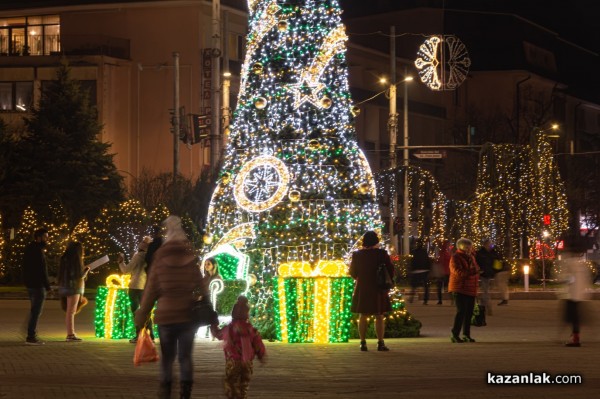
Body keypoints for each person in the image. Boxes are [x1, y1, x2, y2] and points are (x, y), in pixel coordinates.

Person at [135, 215, 218, 399]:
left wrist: (143, 312)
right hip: (188, 316)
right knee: (185, 357)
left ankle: (165, 391)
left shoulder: (159, 258)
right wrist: (206, 304)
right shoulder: (190, 259)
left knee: (167, 359)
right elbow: (202, 286)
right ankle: (185, 394)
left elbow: (151, 289)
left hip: (165, 316)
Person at [349, 230, 394, 352]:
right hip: (378, 288)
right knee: (379, 315)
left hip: (363, 288)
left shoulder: (357, 255)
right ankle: (380, 342)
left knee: (362, 315)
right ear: (376, 241)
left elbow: (352, 272)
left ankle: (363, 343)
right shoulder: (382, 254)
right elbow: (390, 270)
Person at [216, 295, 266, 399]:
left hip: (232, 361)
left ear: (233, 313)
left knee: (230, 382)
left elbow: (218, 334)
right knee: (244, 384)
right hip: (247, 362)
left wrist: (213, 324)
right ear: (246, 314)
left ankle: (234, 395)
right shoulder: (251, 330)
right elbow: (258, 344)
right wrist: (261, 355)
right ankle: (242, 396)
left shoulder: (228, 328)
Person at [118, 236, 154, 344]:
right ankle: (150, 334)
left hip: (135, 287)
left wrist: (121, 261)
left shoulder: (138, 256)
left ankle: (139, 335)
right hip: (147, 287)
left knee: (136, 312)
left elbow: (126, 270)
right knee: (146, 311)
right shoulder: (152, 257)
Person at [22, 228, 51, 345]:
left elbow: (25, 267)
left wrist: (27, 282)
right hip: (38, 285)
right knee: (36, 311)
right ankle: (31, 336)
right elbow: (41, 270)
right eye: (45, 237)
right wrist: (48, 286)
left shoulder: (29, 248)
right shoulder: (38, 250)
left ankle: (31, 333)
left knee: (34, 310)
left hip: (31, 284)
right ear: (38, 237)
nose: (47, 239)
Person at [559, 247, 592, 347]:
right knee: (575, 317)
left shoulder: (570, 264)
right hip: (580, 295)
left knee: (573, 317)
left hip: (572, 295)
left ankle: (575, 338)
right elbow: (586, 279)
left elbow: (568, 279)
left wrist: (564, 280)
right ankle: (574, 335)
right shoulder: (582, 265)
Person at [449, 237, 480, 343]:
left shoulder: (471, 257)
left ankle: (466, 334)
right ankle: (455, 334)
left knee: (469, 313)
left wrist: (477, 272)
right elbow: (458, 272)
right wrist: (473, 272)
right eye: (466, 247)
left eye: (470, 247)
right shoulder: (456, 257)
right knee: (461, 311)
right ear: (461, 247)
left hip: (471, 288)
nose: (469, 249)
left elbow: (474, 270)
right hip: (459, 288)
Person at [58, 241, 90, 342]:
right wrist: (86, 271)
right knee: (71, 311)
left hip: (65, 286)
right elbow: (78, 276)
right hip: (73, 287)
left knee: (70, 311)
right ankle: (70, 334)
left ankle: (71, 333)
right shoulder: (75, 260)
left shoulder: (64, 259)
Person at [475, 238, 503, 315]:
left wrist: (496, 271)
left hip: (492, 274)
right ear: (485, 244)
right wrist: (480, 270)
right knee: (486, 291)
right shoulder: (480, 253)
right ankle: (488, 308)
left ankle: (482, 305)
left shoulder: (493, 252)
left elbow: (498, 262)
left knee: (486, 292)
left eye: (490, 244)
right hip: (484, 275)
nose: (490, 245)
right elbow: (476, 262)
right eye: (488, 244)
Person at [408, 240, 431, 305]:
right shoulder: (424, 252)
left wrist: (412, 269)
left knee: (414, 286)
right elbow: (427, 260)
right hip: (424, 270)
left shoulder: (415, 252)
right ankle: (425, 300)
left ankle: (411, 298)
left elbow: (413, 261)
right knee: (426, 286)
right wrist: (428, 269)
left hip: (416, 271)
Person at [435, 240, 452, 305]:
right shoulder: (447, 254)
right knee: (448, 287)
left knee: (440, 287)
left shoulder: (441, 253)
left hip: (441, 273)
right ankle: (452, 299)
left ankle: (440, 300)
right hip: (446, 273)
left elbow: (439, 262)